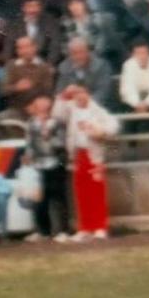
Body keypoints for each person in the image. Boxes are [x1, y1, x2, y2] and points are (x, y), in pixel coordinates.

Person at [52, 84, 118, 240]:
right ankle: (85, 228)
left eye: (82, 93)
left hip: (94, 155)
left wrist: (98, 131)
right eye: (77, 94)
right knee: (81, 194)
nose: (80, 97)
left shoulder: (98, 111)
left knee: (97, 193)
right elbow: (56, 114)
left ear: (88, 94)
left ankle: (100, 227)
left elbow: (113, 126)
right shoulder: (70, 109)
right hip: (78, 155)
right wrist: (64, 95)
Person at [23, 95, 71, 243]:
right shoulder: (31, 123)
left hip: (56, 164)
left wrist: (48, 137)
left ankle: (63, 231)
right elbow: (29, 142)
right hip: (38, 165)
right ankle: (43, 231)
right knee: (39, 200)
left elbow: (62, 142)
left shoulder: (57, 123)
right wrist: (28, 156)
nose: (42, 107)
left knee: (59, 198)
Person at [0, 36, 54, 118]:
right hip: (16, 107)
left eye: (28, 46)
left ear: (34, 48)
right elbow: (3, 90)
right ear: (17, 51)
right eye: (21, 48)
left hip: (38, 108)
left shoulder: (44, 67)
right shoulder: (11, 66)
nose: (25, 51)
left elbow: (48, 91)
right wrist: (16, 87)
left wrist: (35, 106)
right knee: (3, 117)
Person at [5, 0, 63, 67]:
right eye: (29, 6)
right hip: (20, 61)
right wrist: (8, 63)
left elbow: (55, 46)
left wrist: (49, 64)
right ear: (23, 8)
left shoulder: (50, 22)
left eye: (36, 6)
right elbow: (9, 46)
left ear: (40, 7)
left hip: (43, 61)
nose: (32, 10)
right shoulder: (15, 24)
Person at [57, 38, 114, 108]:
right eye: (74, 53)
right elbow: (60, 92)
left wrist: (85, 100)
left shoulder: (101, 66)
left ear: (88, 52)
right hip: (72, 107)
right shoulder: (64, 67)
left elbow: (103, 93)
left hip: (96, 107)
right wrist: (66, 93)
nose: (78, 56)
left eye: (81, 52)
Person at [119, 42, 149, 114]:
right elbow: (127, 89)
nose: (142, 56)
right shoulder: (128, 65)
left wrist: (147, 103)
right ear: (133, 55)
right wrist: (137, 104)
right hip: (134, 104)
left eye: (144, 53)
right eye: (138, 53)